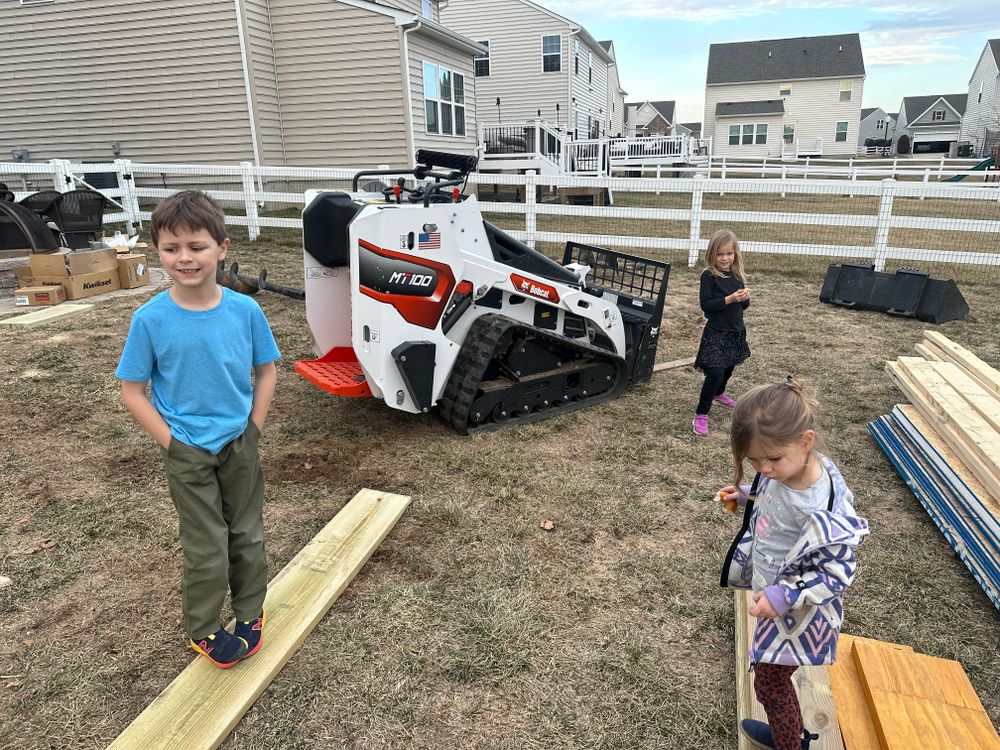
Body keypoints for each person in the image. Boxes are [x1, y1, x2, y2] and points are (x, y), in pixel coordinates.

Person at [116, 190, 280, 668]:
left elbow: (267, 370)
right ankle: (205, 627)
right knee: (206, 543)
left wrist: (252, 430)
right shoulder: (150, 320)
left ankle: (251, 611)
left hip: (239, 445)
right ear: (158, 253)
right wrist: (174, 444)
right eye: (171, 249)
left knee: (246, 533)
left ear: (222, 248)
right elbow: (132, 391)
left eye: (197, 246)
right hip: (187, 452)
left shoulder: (245, 312)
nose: (185, 258)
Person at [718, 379, 869, 750]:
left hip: (799, 614)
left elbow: (836, 571)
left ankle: (790, 743)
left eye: (771, 459)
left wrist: (786, 595)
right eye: (753, 460)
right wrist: (747, 493)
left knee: (770, 684)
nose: (763, 468)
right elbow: (774, 490)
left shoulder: (822, 506)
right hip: (777, 598)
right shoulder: (786, 471)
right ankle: (792, 735)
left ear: (806, 441)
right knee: (771, 677)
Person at [693, 229, 750, 437]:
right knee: (715, 372)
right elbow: (706, 306)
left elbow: (745, 307)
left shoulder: (737, 275)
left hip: (735, 331)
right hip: (716, 332)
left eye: (729, 253)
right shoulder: (708, 276)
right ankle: (701, 413)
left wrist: (744, 297)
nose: (725, 258)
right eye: (720, 254)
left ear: (735, 254)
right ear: (712, 255)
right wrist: (729, 299)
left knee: (728, 368)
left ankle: (719, 393)